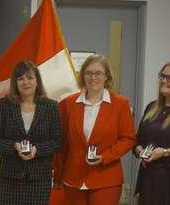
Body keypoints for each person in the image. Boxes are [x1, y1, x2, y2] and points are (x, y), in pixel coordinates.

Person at [53, 54, 135, 205]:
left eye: (98, 73)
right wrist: (57, 175)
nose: (93, 77)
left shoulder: (120, 104)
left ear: (106, 77)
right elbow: (61, 143)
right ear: (82, 76)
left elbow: (128, 139)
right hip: (73, 178)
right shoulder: (67, 104)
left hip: (106, 177)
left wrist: (105, 157)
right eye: (88, 73)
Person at [0, 60, 63, 205]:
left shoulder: (51, 106)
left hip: (39, 177)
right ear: (15, 83)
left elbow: (57, 141)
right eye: (20, 78)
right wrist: (14, 146)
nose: (25, 82)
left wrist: (37, 149)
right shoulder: (4, 105)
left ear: (37, 81)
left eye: (29, 77)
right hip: (10, 177)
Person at [133, 62, 170, 205]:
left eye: (169, 77)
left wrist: (165, 152)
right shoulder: (152, 107)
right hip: (148, 178)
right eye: (162, 76)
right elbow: (137, 141)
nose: (164, 80)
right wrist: (140, 151)